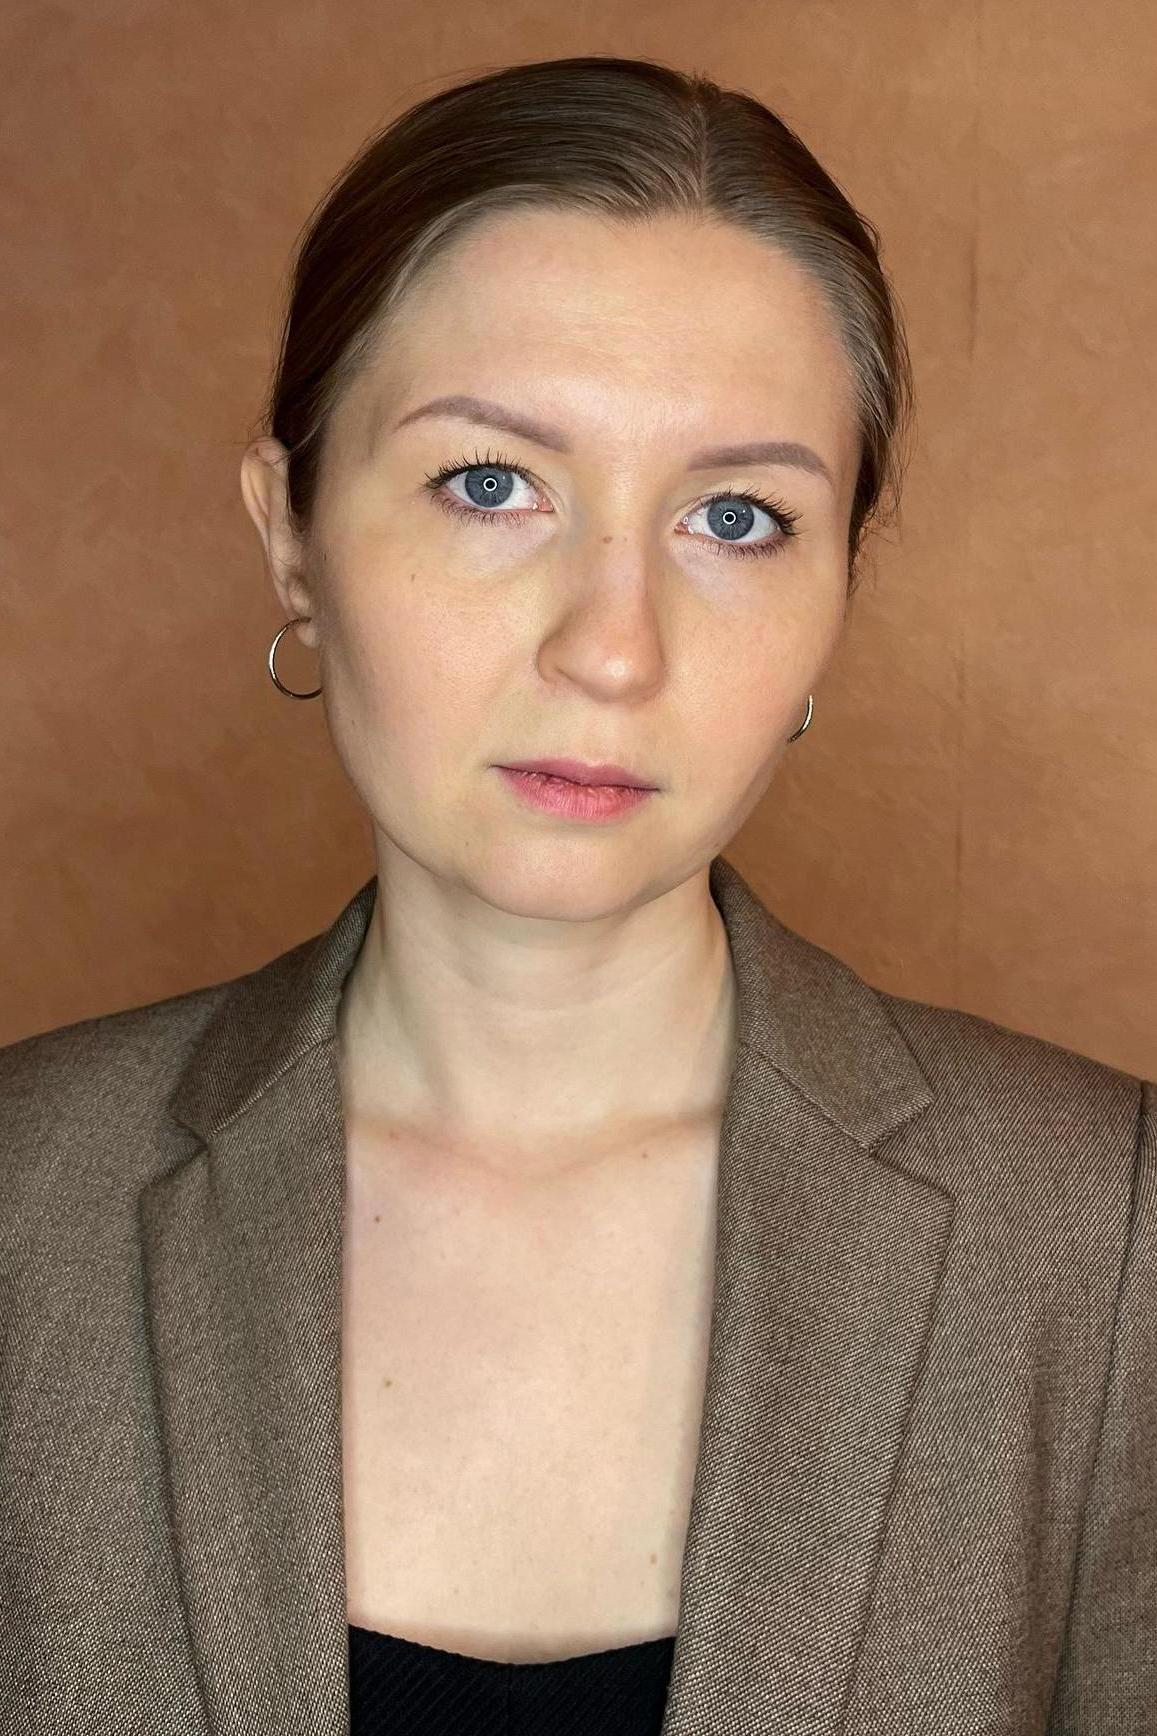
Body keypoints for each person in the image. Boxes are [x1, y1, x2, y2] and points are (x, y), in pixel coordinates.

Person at [2, 54, 1152, 1736]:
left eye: (736, 517)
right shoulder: (22, 1209)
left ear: (838, 593)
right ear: (291, 536)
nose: (612, 650)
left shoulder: (1109, 1245)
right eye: (489, 484)